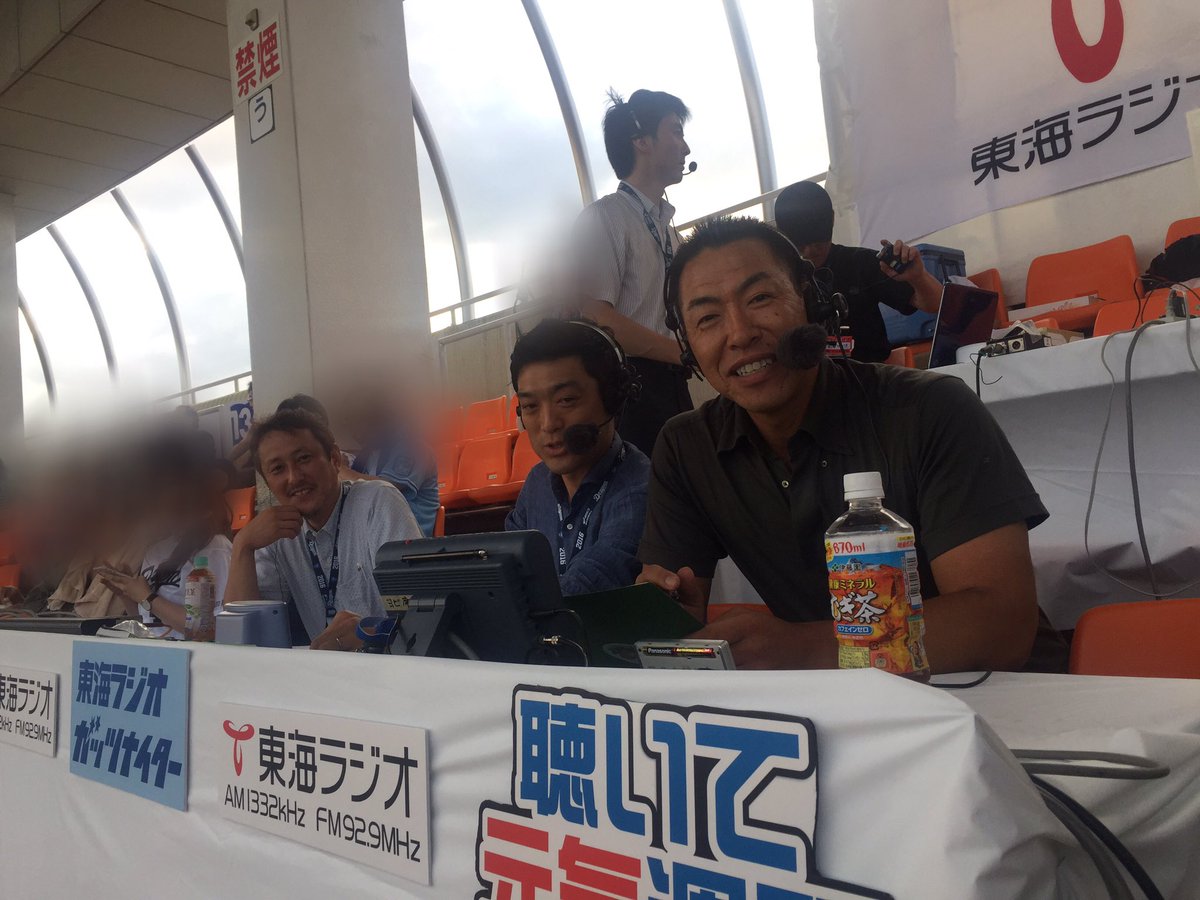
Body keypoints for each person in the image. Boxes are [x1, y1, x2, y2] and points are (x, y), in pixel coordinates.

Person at [638, 216, 1055, 673]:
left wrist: (804, 649)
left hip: (999, 694)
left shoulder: (930, 409)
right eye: (707, 319)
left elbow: (1002, 626)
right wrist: (666, 614)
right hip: (835, 704)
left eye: (760, 298)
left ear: (811, 302)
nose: (739, 334)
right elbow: (675, 619)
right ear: (688, 348)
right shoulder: (686, 448)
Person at [223, 408, 422, 650]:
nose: (294, 477)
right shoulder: (276, 534)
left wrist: (371, 632)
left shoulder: (377, 502)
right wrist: (243, 545)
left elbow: (421, 612)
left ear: (335, 459)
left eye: (303, 459)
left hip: (396, 663)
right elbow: (239, 639)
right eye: (277, 469)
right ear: (268, 484)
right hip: (325, 669)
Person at [570, 88, 695, 454]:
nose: (686, 148)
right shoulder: (605, 216)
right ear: (641, 141)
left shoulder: (669, 231)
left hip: (673, 379)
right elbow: (596, 317)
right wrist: (682, 351)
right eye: (676, 131)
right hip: (630, 389)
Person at [505, 319, 650, 595]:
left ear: (612, 398)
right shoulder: (537, 483)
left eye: (566, 400)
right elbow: (507, 570)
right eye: (530, 406)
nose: (548, 424)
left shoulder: (639, 488)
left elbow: (590, 585)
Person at [773, 181, 943, 362]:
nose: (808, 252)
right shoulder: (779, 278)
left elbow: (935, 305)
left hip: (869, 374)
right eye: (799, 247)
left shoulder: (861, 262)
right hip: (809, 377)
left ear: (832, 220)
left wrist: (918, 277)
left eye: (818, 244)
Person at [95, 432, 232, 638]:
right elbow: (149, 622)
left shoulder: (215, 549)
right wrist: (127, 594)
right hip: (155, 651)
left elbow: (207, 629)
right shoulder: (155, 550)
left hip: (190, 655)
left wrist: (148, 598)